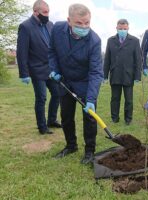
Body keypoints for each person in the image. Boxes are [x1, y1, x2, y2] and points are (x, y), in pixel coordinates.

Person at [48, 4, 103, 164]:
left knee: (89, 119)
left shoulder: (94, 40)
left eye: (87, 22)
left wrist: (91, 99)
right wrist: (55, 69)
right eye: (79, 23)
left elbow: (95, 72)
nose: (84, 26)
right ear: (69, 21)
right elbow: (52, 51)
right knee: (66, 116)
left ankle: (89, 151)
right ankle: (71, 145)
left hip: (85, 82)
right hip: (64, 81)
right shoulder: (57, 29)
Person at [17, 0, 61, 135]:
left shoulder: (50, 24)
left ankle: (51, 120)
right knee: (41, 98)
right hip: (36, 69)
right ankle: (42, 126)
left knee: (57, 94)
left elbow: (54, 47)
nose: (47, 15)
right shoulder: (25, 27)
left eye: (48, 12)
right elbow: (22, 52)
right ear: (35, 12)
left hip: (51, 69)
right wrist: (24, 73)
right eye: (44, 12)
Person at [104, 19, 141, 125]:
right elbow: (107, 58)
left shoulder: (134, 41)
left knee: (129, 100)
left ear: (128, 28)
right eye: (120, 29)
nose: (122, 30)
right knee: (115, 98)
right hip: (115, 74)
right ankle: (114, 118)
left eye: (124, 29)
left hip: (128, 75)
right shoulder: (110, 40)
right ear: (116, 28)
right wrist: (105, 75)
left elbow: (138, 59)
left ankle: (128, 119)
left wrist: (137, 76)